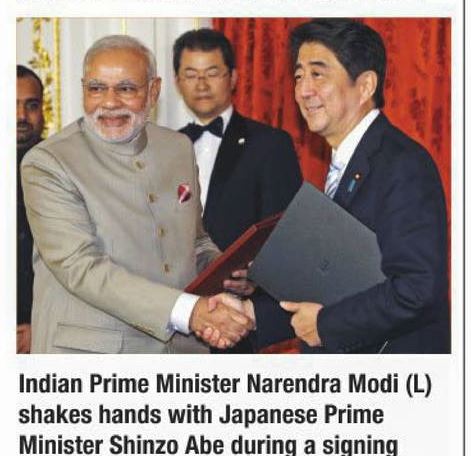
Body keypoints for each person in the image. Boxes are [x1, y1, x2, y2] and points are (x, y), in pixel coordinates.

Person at [207, 19, 450, 354]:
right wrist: (250, 314)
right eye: (298, 76)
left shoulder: (402, 164)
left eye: (318, 74)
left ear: (365, 86)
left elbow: (417, 289)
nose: (303, 90)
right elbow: (334, 285)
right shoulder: (348, 162)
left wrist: (325, 325)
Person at [21, 35, 253, 354]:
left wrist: (227, 273)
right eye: (96, 88)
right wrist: (190, 312)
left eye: (126, 88)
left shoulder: (178, 148)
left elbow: (195, 241)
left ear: (154, 91)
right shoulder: (49, 162)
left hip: (183, 353)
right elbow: (80, 266)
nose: (110, 102)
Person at [174, 28, 302, 353]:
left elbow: (286, 233)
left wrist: (257, 278)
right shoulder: (164, 148)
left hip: (236, 320)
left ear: (232, 78)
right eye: (191, 74)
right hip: (173, 320)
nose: (201, 84)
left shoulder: (270, 145)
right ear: (177, 82)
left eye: (212, 73)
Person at [17, 65, 44, 353]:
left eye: (31, 105)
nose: (21, 116)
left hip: (47, 334)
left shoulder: (67, 169)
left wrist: (42, 324)